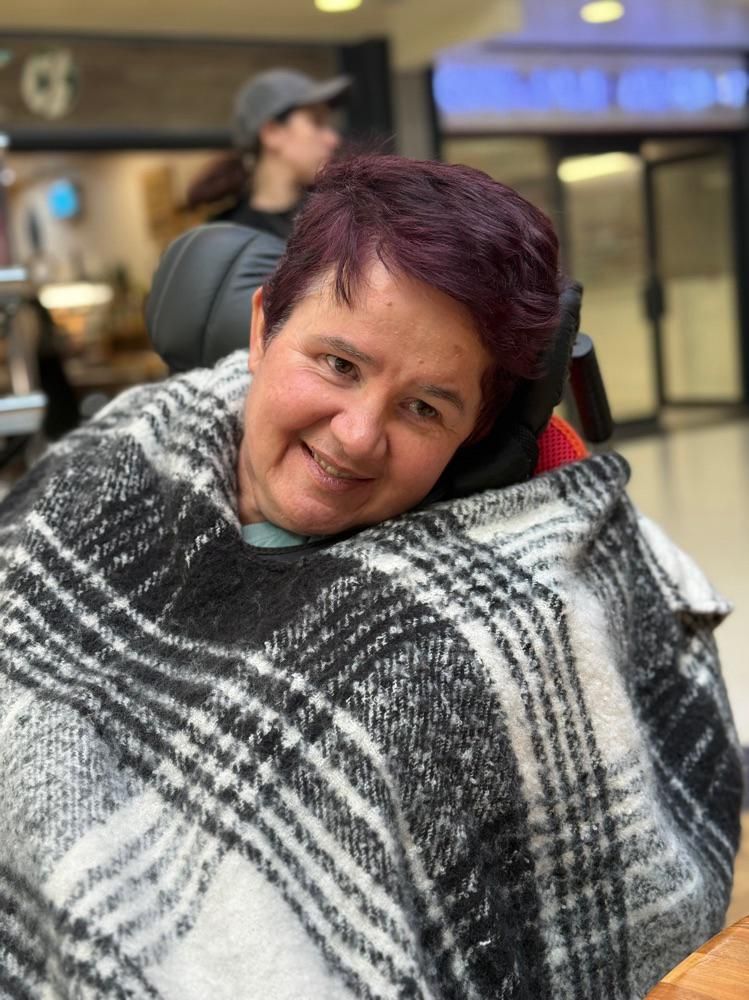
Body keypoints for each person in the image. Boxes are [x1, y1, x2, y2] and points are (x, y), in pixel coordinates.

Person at [0, 154, 742, 1000]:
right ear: (260, 329)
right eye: (338, 364)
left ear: (474, 436)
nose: (355, 437)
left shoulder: (472, 636)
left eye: (425, 406)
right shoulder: (130, 446)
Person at [186, 67, 349, 241]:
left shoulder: (337, 220)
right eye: (317, 122)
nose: (333, 139)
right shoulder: (223, 238)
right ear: (272, 133)